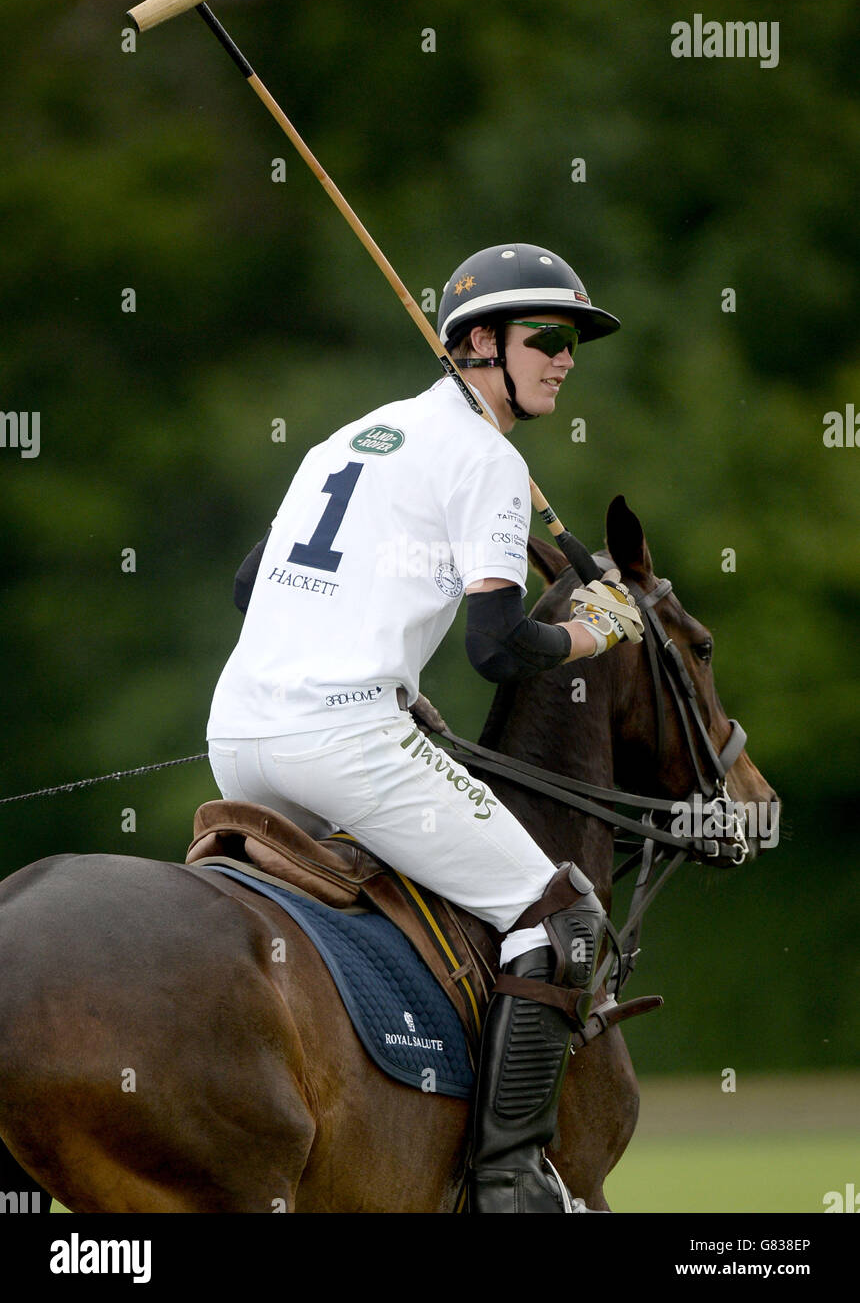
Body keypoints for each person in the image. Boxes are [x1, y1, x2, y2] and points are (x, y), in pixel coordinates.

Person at [206, 242, 644, 1213]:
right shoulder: (487, 458)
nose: (565, 357)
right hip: (346, 742)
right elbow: (496, 648)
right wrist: (587, 632)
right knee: (558, 911)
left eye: (570, 342)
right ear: (477, 343)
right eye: (547, 337)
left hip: (238, 734)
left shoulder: (351, 438)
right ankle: (506, 1178)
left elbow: (250, 586)